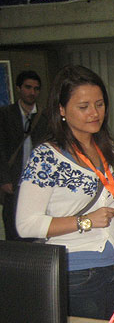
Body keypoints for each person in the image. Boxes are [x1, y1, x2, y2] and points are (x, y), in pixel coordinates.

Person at [16, 65, 114, 319]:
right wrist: (85, 221)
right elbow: (26, 225)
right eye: (83, 107)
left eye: (100, 104)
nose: (94, 113)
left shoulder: (108, 147)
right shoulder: (46, 158)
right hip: (77, 272)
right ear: (61, 109)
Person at [0, 71, 49, 240]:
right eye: (28, 87)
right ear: (19, 88)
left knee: (36, 225)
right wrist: (4, 179)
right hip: (13, 180)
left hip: (38, 180)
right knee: (12, 225)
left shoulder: (45, 116)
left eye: (36, 89)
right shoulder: (5, 114)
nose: (32, 92)